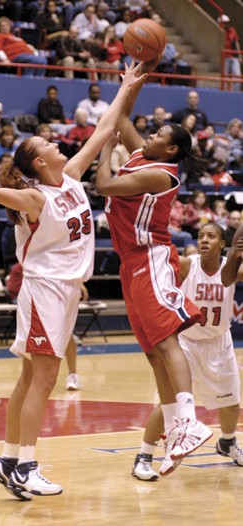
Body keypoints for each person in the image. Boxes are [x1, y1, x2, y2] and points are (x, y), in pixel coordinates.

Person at [0, 62, 147, 499]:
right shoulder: (34, 197)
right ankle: (26, 465)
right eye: (47, 143)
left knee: (29, 378)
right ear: (40, 162)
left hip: (61, 290)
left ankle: (7, 458)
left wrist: (126, 89)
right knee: (43, 379)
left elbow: (104, 127)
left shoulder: (72, 177)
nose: (57, 141)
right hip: (43, 292)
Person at [95, 60, 213, 471]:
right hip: (131, 264)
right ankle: (177, 433)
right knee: (153, 356)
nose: (148, 135)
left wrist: (106, 149)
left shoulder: (160, 173)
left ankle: (189, 422)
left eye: (158, 134)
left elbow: (104, 185)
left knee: (167, 343)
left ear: (172, 149)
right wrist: (133, 83)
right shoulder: (146, 154)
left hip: (153, 258)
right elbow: (122, 117)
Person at [131, 222, 243, 480]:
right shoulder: (186, 265)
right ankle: (144, 455)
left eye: (211, 236)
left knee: (231, 402)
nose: (204, 240)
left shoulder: (232, 268)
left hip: (219, 341)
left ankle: (227, 442)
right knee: (169, 403)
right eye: (201, 236)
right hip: (187, 343)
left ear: (222, 244)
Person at [5, 261, 86, 390]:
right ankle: (36, 380)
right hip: (35, 299)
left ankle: (72, 374)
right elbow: (13, 289)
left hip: (59, 292)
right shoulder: (22, 266)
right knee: (31, 371)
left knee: (68, 335)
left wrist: (77, 282)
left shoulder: (57, 262)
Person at [219, 15, 242, 92]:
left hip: (233, 56)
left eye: (227, 23)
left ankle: (236, 92)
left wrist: (239, 55)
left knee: (237, 75)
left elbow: (236, 42)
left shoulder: (232, 30)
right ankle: (224, 93)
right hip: (224, 57)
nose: (226, 24)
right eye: (224, 23)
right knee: (224, 76)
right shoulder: (219, 31)